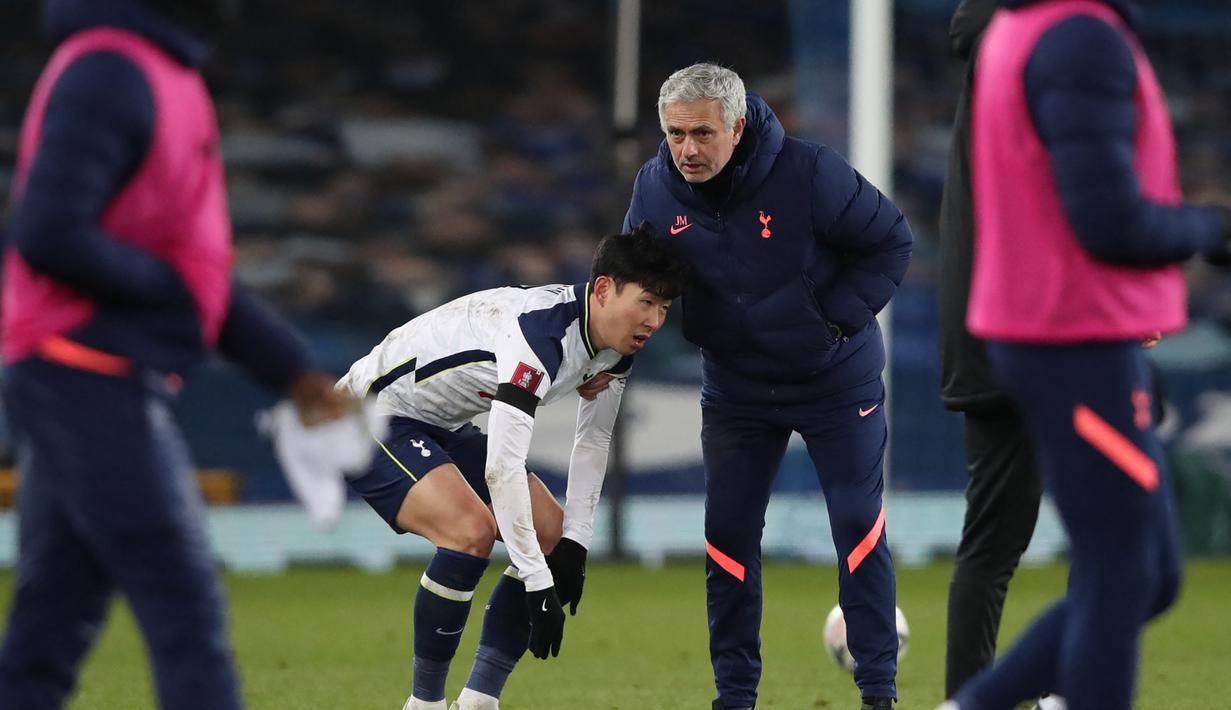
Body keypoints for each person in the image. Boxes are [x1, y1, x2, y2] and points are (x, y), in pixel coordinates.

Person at [0, 1, 349, 709]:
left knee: (53, 619)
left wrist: (288, 367)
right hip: (83, 367)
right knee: (181, 598)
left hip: (90, 366)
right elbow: (45, 230)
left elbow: (194, 273)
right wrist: (170, 295)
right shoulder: (111, 69)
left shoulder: (154, 70)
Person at [939, 1, 1231, 709]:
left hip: (1056, 328)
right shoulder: (1077, 38)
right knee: (1120, 571)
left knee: (1147, 572)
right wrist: (1210, 228)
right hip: (1072, 338)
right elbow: (1106, 220)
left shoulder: (1018, 28)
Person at [623, 63, 914, 710]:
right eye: (674, 134)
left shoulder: (809, 173)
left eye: (701, 133)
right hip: (737, 390)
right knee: (726, 538)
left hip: (835, 382)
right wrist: (601, 358)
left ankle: (878, 695)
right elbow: (630, 277)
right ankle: (734, 698)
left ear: (738, 124)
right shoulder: (653, 188)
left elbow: (891, 241)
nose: (687, 150)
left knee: (858, 526)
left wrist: (831, 321)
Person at [334, 225, 689, 710]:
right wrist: (538, 582)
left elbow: (595, 438)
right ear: (604, 290)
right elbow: (503, 468)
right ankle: (424, 705)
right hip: (364, 414)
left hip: (441, 422)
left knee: (550, 534)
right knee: (470, 532)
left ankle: (479, 702)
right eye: (646, 302)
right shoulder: (539, 339)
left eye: (664, 309)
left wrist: (576, 544)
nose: (654, 320)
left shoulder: (615, 343)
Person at [936, 0, 1045, 698]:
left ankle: (983, 693)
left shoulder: (988, 82)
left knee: (991, 547)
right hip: (1042, 342)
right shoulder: (1041, 79)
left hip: (989, 338)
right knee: (1129, 543)